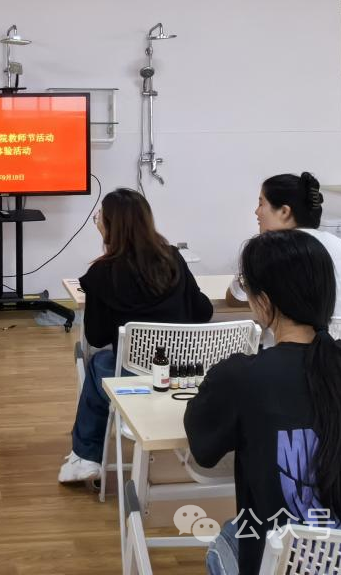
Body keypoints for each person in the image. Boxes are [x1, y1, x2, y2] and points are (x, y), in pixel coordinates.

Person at [186, 230, 341, 575]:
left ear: (264, 301)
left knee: (227, 539)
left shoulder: (242, 377)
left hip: (292, 562)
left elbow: (203, 451)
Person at [59, 188, 213, 484]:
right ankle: (87, 453)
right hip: (183, 371)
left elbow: (97, 336)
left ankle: (86, 455)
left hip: (133, 374)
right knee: (103, 364)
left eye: (99, 218)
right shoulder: (173, 259)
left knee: (98, 363)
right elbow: (202, 311)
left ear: (109, 226)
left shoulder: (101, 274)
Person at [225, 172, 341, 318]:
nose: (256, 211)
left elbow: (235, 299)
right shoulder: (339, 243)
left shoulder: (270, 248)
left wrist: (245, 275)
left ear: (284, 211)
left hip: (308, 333)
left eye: (261, 204)